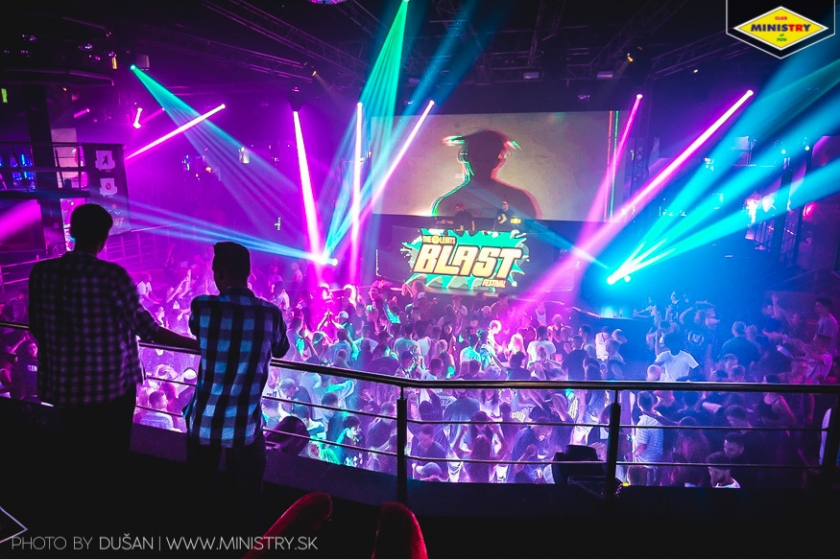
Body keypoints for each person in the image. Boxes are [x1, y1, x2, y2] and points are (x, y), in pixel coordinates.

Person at [27, 203, 197, 528]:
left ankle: (77, 515)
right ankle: (109, 520)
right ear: (104, 238)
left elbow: (35, 325)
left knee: (76, 448)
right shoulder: (111, 276)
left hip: (63, 386)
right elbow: (148, 329)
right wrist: (197, 345)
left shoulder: (41, 273)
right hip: (111, 390)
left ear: (72, 233)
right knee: (112, 456)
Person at [185, 241, 290, 535]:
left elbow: (197, 332)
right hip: (246, 425)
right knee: (248, 506)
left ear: (219, 273)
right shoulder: (270, 314)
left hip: (203, 422)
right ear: (248, 273)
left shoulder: (203, 307)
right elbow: (281, 349)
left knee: (199, 500)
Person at [432, 130, 539, 219]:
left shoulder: (520, 200)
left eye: (488, 156)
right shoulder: (446, 204)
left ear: (497, 161)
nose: (482, 161)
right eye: (477, 155)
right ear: (465, 157)